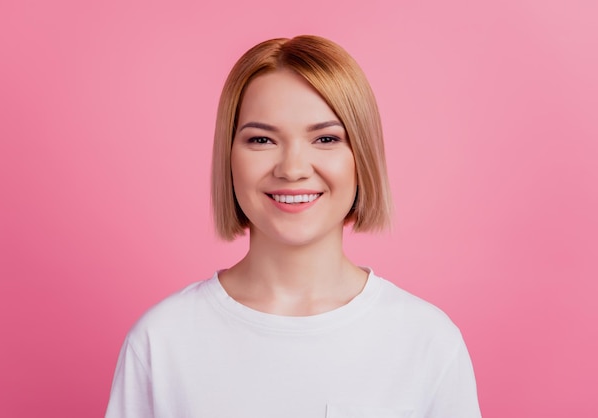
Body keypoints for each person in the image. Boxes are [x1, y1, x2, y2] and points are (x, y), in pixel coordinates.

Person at [105, 35, 481, 418]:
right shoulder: (161, 342)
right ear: (229, 156)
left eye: (326, 138)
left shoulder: (427, 341)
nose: (293, 169)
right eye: (262, 139)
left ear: (362, 157)